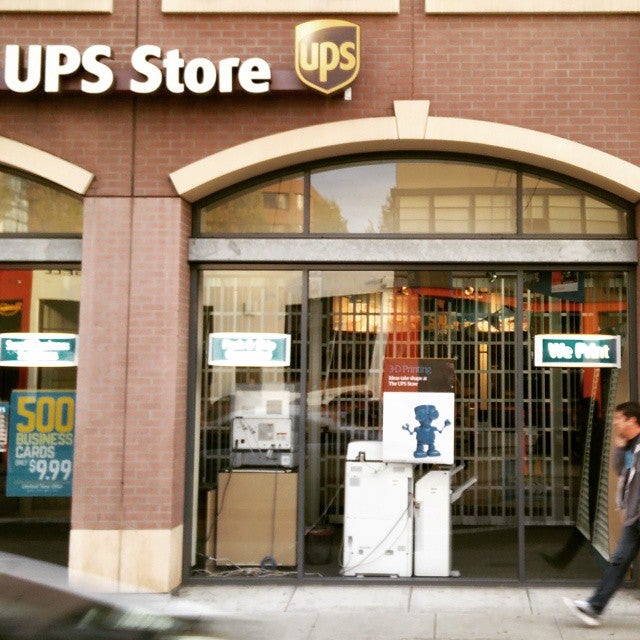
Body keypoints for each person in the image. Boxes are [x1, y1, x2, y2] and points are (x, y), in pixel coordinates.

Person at [563, 400, 640, 627]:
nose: (615, 423)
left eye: (618, 419)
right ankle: (594, 607)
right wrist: (620, 447)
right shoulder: (630, 444)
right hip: (634, 518)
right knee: (619, 561)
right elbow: (621, 471)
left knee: (619, 561)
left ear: (632, 420)